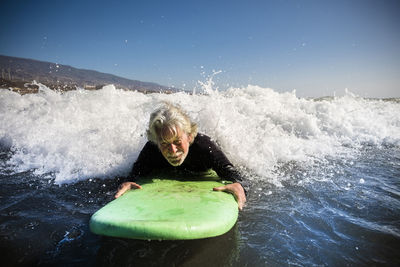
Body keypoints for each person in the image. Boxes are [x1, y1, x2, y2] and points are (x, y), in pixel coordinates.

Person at [115, 103, 247, 210]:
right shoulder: (152, 149)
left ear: (189, 136)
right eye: (165, 144)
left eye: (177, 142)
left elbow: (233, 174)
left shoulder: (205, 148)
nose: (172, 150)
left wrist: (239, 185)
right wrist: (127, 181)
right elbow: (135, 173)